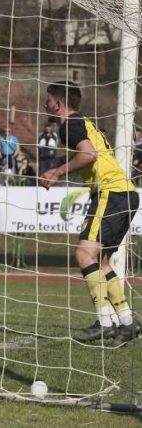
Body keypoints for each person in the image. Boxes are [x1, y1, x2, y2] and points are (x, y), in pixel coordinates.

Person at [40, 82, 139, 345]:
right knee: (102, 262)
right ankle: (127, 322)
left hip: (110, 193)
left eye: (47, 100)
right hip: (124, 193)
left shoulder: (69, 125)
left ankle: (104, 323)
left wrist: (57, 171)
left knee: (84, 254)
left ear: (58, 104)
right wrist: (62, 164)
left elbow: (89, 155)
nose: (45, 105)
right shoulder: (83, 123)